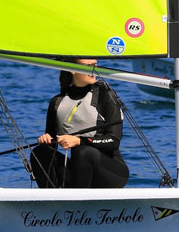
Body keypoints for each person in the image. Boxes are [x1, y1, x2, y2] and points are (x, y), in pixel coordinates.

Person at [30, 59, 128, 188]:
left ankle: (77, 202)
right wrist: (46, 140)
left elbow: (114, 141)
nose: (94, 70)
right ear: (72, 69)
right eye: (89, 66)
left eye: (95, 66)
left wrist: (79, 141)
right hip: (80, 172)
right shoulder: (57, 102)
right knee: (39, 153)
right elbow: (52, 147)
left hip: (111, 172)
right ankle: (51, 202)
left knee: (83, 151)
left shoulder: (106, 95)